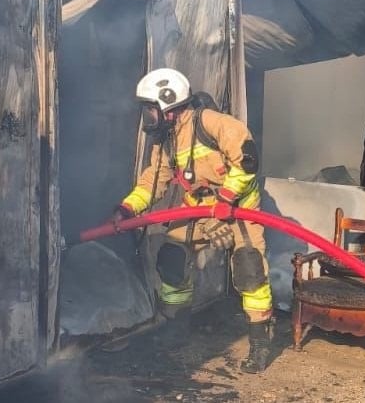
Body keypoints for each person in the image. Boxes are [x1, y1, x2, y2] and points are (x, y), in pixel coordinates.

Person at [114, 67, 273, 374]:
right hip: (198, 211)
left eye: (150, 108)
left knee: (249, 269)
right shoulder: (167, 140)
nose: (148, 116)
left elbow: (248, 159)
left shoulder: (212, 123)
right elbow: (154, 180)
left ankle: (259, 342)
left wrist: (227, 199)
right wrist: (127, 209)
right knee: (172, 259)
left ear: (169, 106)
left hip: (239, 209)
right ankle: (177, 328)